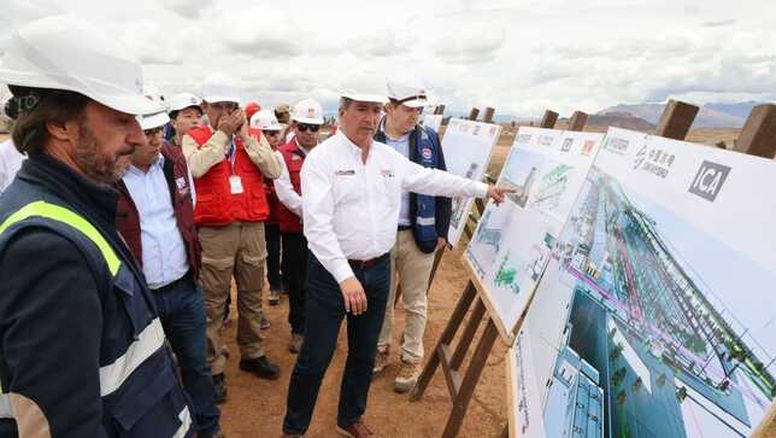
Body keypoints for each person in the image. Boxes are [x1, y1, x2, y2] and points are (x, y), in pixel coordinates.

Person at [281, 84, 512, 438]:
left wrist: (483, 190)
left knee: (363, 353)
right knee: (316, 358)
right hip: (332, 276)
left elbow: (430, 179)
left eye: (375, 111)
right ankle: (294, 429)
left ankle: (349, 417)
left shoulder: (388, 159)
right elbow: (317, 226)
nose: (370, 119)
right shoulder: (322, 160)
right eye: (361, 109)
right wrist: (345, 276)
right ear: (341, 112)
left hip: (377, 272)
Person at [0, 16, 193, 436]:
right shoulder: (44, 246)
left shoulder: (79, 204)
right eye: (122, 120)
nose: (139, 138)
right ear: (60, 125)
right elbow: (63, 425)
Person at [115, 104, 223, 438]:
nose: (155, 140)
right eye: (147, 133)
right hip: (140, 297)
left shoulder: (174, 162)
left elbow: (186, 214)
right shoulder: (111, 174)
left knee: (196, 365)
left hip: (184, 288)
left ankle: (208, 427)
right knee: (148, 375)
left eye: (159, 132)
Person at [181, 73, 283, 404]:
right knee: (212, 301)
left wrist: (247, 139)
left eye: (231, 106)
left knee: (253, 294)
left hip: (252, 226)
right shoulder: (194, 137)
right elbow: (194, 168)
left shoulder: (252, 135)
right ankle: (213, 365)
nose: (225, 112)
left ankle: (252, 352)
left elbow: (273, 169)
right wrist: (222, 137)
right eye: (218, 106)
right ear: (205, 107)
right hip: (215, 230)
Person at [372, 78, 450, 392]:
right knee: (382, 299)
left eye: (419, 110)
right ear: (389, 107)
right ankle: (379, 350)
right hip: (379, 236)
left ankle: (411, 356)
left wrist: (442, 228)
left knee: (416, 300)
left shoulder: (428, 138)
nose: (414, 116)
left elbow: (442, 182)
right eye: (408, 109)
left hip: (420, 235)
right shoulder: (372, 139)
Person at [273, 98, 324, 354]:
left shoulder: (328, 154)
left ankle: (320, 328)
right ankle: (299, 329)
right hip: (296, 230)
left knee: (323, 280)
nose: (308, 133)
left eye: (313, 128)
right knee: (298, 281)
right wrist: (313, 212)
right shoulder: (281, 155)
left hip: (326, 231)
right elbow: (284, 192)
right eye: (303, 126)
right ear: (293, 125)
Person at [250, 109, 286, 306]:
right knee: (253, 260)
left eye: (276, 133)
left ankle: (275, 286)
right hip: (253, 217)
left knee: (274, 251)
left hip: (275, 215)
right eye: (270, 134)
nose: (275, 138)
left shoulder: (279, 156)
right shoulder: (245, 157)